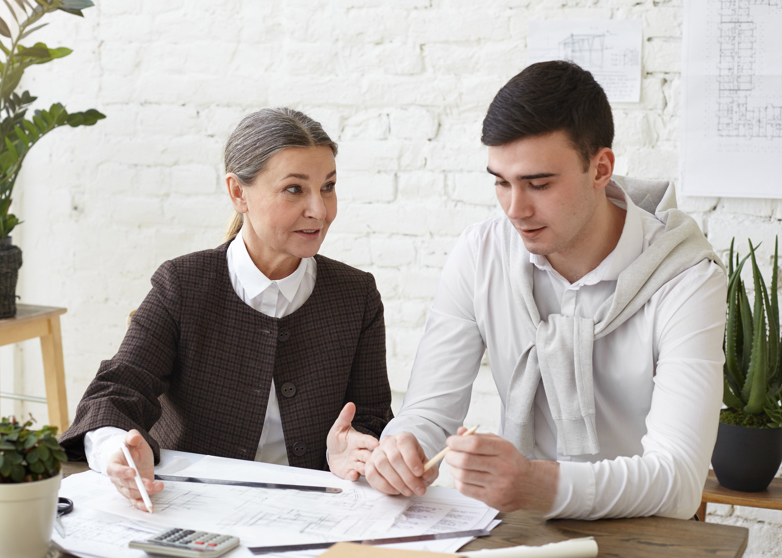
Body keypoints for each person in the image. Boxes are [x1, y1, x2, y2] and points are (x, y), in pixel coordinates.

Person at [365, 61, 727, 520]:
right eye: (501, 182)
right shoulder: (481, 254)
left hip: (645, 533)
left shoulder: (686, 279)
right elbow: (430, 416)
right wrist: (403, 448)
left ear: (600, 169)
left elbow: (677, 479)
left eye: (538, 184)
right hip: (513, 525)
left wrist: (542, 485)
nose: (515, 209)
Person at [60, 108, 392, 511]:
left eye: (328, 187)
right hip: (192, 506)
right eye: (294, 189)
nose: (319, 211)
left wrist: (352, 453)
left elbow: (372, 415)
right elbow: (116, 392)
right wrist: (119, 452)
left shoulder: (356, 295)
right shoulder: (182, 285)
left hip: (315, 508)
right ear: (238, 193)